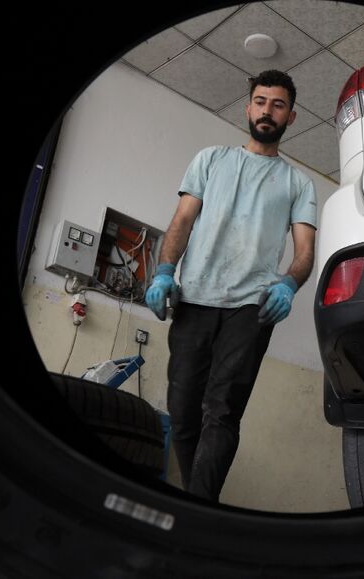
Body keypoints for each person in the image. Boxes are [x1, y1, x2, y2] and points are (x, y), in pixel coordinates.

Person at [145, 70, 318, 501]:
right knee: (183, 415)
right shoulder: (210, 159)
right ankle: (197, 499)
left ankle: (199, 511)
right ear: (248, 108)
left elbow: (305, 251)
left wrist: (288, 284)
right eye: (260, 101)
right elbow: (182, 220)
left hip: (251, 309)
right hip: (195, 299)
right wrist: (164, 270)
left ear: (291, 117)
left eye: (278, 105)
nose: (267, 111)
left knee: (220, 413)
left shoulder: (298, 183)